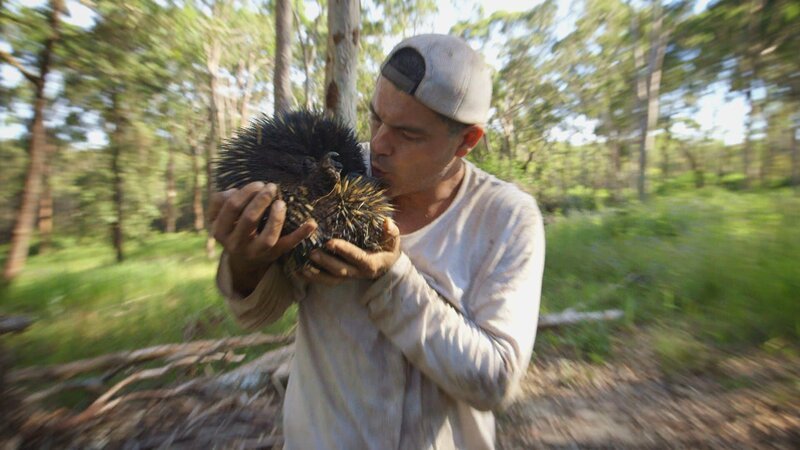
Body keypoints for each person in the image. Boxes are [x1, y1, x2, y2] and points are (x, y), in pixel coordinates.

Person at [211, 34, 545, 450]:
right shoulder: (333, 173)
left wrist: (392, 281)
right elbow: (258, 314)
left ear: (466, 141)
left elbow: (495, 381)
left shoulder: (505, 217)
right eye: (375, 118)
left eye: (408, 134)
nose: (379, 145)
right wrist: (245, 263)